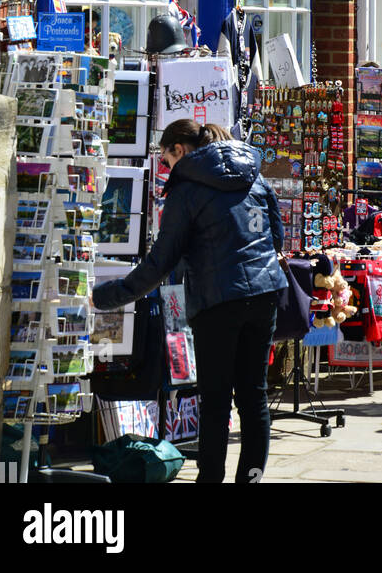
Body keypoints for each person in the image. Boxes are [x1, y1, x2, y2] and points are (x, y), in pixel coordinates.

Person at [91, 119, 287, 483]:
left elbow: (159, 263)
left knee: (215, 400)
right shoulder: (253, 175)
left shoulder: (187, 190)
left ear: (179, 150)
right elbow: (276, 237)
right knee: (253, 397)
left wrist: (105, 296)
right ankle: (251, 479)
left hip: (218, 302)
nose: (165, 168)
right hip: (264, 295)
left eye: (165, 160)